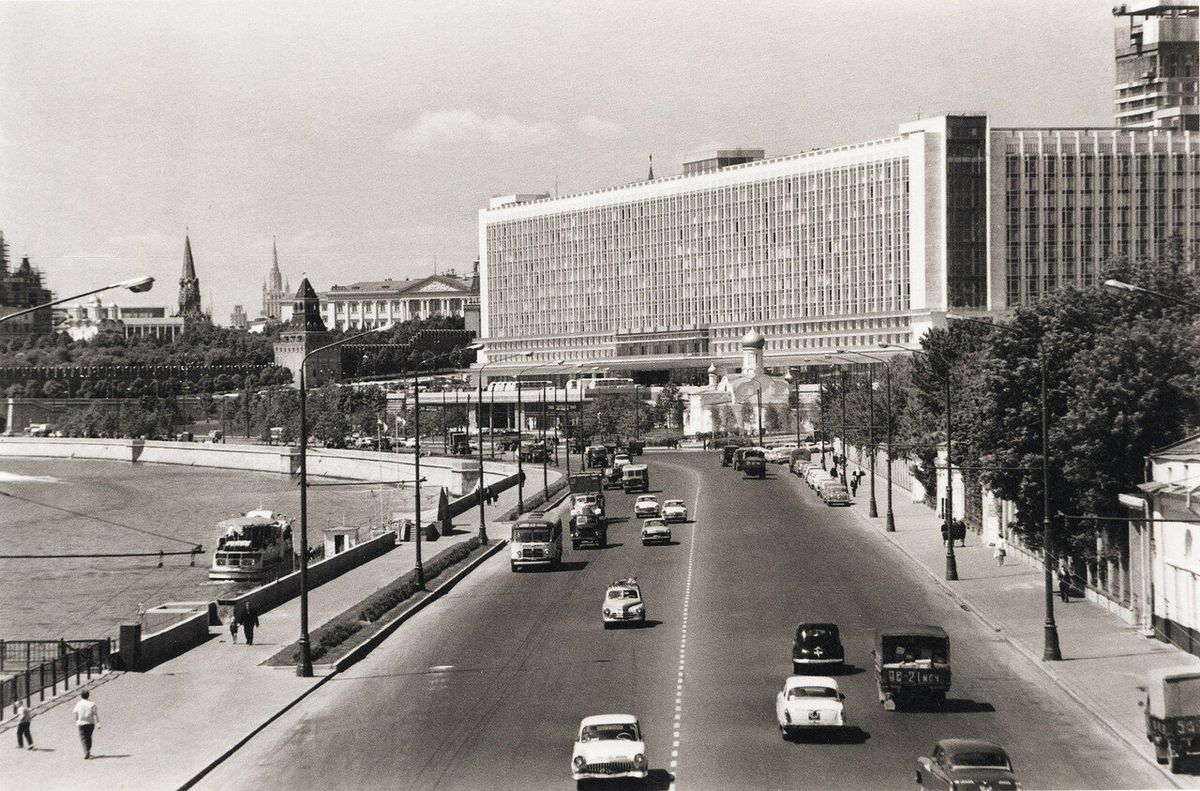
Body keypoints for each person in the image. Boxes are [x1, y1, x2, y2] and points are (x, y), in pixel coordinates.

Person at [72, 690, 98, 759]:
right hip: (90, 723)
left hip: (81, 723)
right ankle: (88, 750)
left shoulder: (79, 703)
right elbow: (95, 714)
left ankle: (86, 751)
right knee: (89, 737)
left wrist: (77, 720)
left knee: (83, 738)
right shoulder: (92, 703)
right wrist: (97, 722)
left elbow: (75, 713)